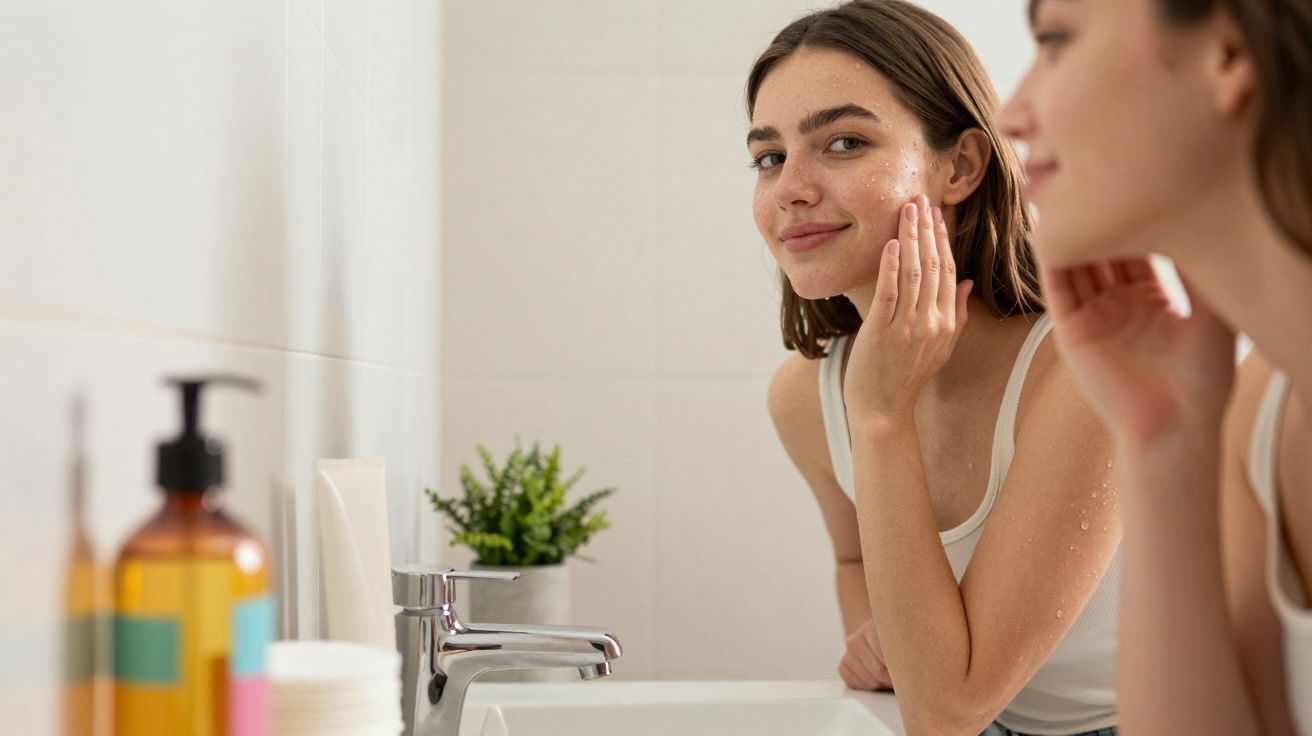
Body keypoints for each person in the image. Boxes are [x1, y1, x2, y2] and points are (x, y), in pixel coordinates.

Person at [752, 2, 1122, 733]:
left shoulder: (1084, 374)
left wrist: (883, 419)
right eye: (768, 157)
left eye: (844, 142)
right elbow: (858, 563)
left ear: (960, 166)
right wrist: (880, 641)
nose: (790, 187)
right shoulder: (805, 398)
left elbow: (949, 708)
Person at [1001, 0, 1312, 732]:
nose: (1012, 113)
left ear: (1230, 55)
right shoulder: (1260, 423)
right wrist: (1161, 439)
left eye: (1055, 41)